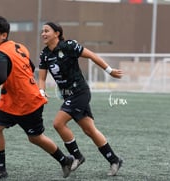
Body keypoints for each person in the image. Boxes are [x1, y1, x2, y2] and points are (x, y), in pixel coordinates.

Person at [0, 16, 74, 180]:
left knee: (35, 138)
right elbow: (30, 66)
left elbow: (0, 77)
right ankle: (0, 169)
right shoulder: (18, 46)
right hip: (18, 101)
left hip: (26, 103)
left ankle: (65, 160)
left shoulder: (0, 53)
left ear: (3, 35)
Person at [38, 22, 123, 176]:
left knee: (58, 123)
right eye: (42, 31)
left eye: (46, 31)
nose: (43, 34)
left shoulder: (69, 46)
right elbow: (42, 78)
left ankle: (77, 156)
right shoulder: (44, 54)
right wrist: (41, 92)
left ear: (57, 33)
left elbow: (91, 55)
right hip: (68, 95)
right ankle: (114, 160)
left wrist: (109, 71)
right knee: (89, 130)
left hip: (80, 92)